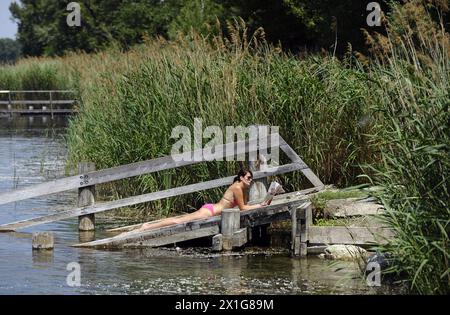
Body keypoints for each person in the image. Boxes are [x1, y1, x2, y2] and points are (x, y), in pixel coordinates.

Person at [129, 169, 267, 233]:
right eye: (248, 177)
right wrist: (260, 205)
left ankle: (149, 225)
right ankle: (147, 227)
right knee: (179, 221)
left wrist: (259, 204)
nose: (250, 180)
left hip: (211, 208)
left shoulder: (241, 189)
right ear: (241, 178)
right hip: (210, 212)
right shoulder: (237, 187)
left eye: (251, 178)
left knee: (181, 218)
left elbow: (244, 205)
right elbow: (243, 208)